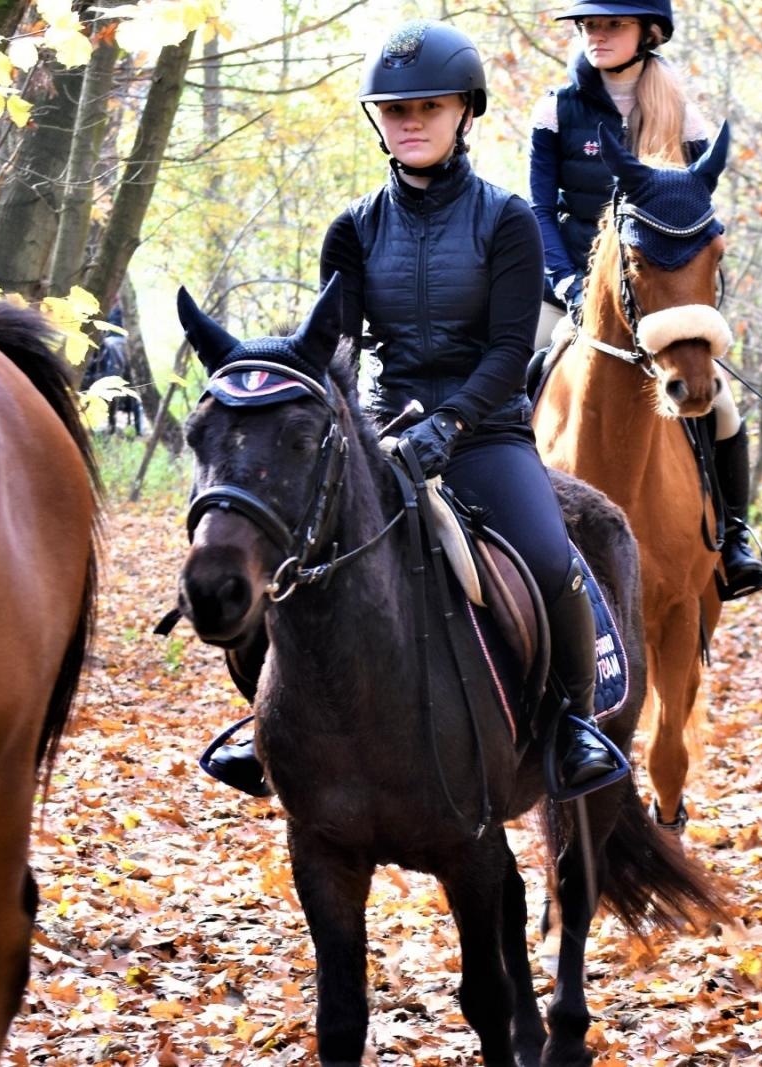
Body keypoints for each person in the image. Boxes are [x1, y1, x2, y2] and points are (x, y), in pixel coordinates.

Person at [200, 19, 622, 799]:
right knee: (279, 550)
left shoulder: (507, 221)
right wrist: (353, 425)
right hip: (382, 431)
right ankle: (266, 726)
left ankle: (571, 726)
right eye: (396, 110)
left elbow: (506, 352)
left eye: (430, 106)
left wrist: (452, 422)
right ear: (379, 121)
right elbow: (334, 347)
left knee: (551, 556)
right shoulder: (353, 230)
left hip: (486, 434)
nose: (413, 121)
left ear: (465, 110)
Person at [528, 0, 762, 600]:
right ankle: (492, 523)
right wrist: (568, 286)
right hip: (569, 291)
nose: (597, 35)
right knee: (513, 380)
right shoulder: (556, 108)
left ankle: (735, 534)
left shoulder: (682, 115)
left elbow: (692, 218)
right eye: (589, 24)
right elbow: (538, 209)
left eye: (613, 23)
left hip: (660, 296)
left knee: (721, 406)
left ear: (648, 32)